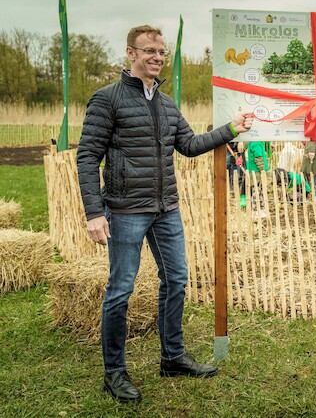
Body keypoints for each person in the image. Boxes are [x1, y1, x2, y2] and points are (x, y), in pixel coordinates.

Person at [76, 25, 254, 403]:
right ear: (130, 54)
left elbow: (188, 145)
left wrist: (229, 129)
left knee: (177, 279)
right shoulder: (107, 99)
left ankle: (172, 356)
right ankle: (114, 372)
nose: (157, 57)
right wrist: (95, 211)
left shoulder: (168, 103)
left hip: (165, 209)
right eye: (149, 51)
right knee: (120, 290)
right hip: (125, 210)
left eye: (161, 51)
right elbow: (88, 156)